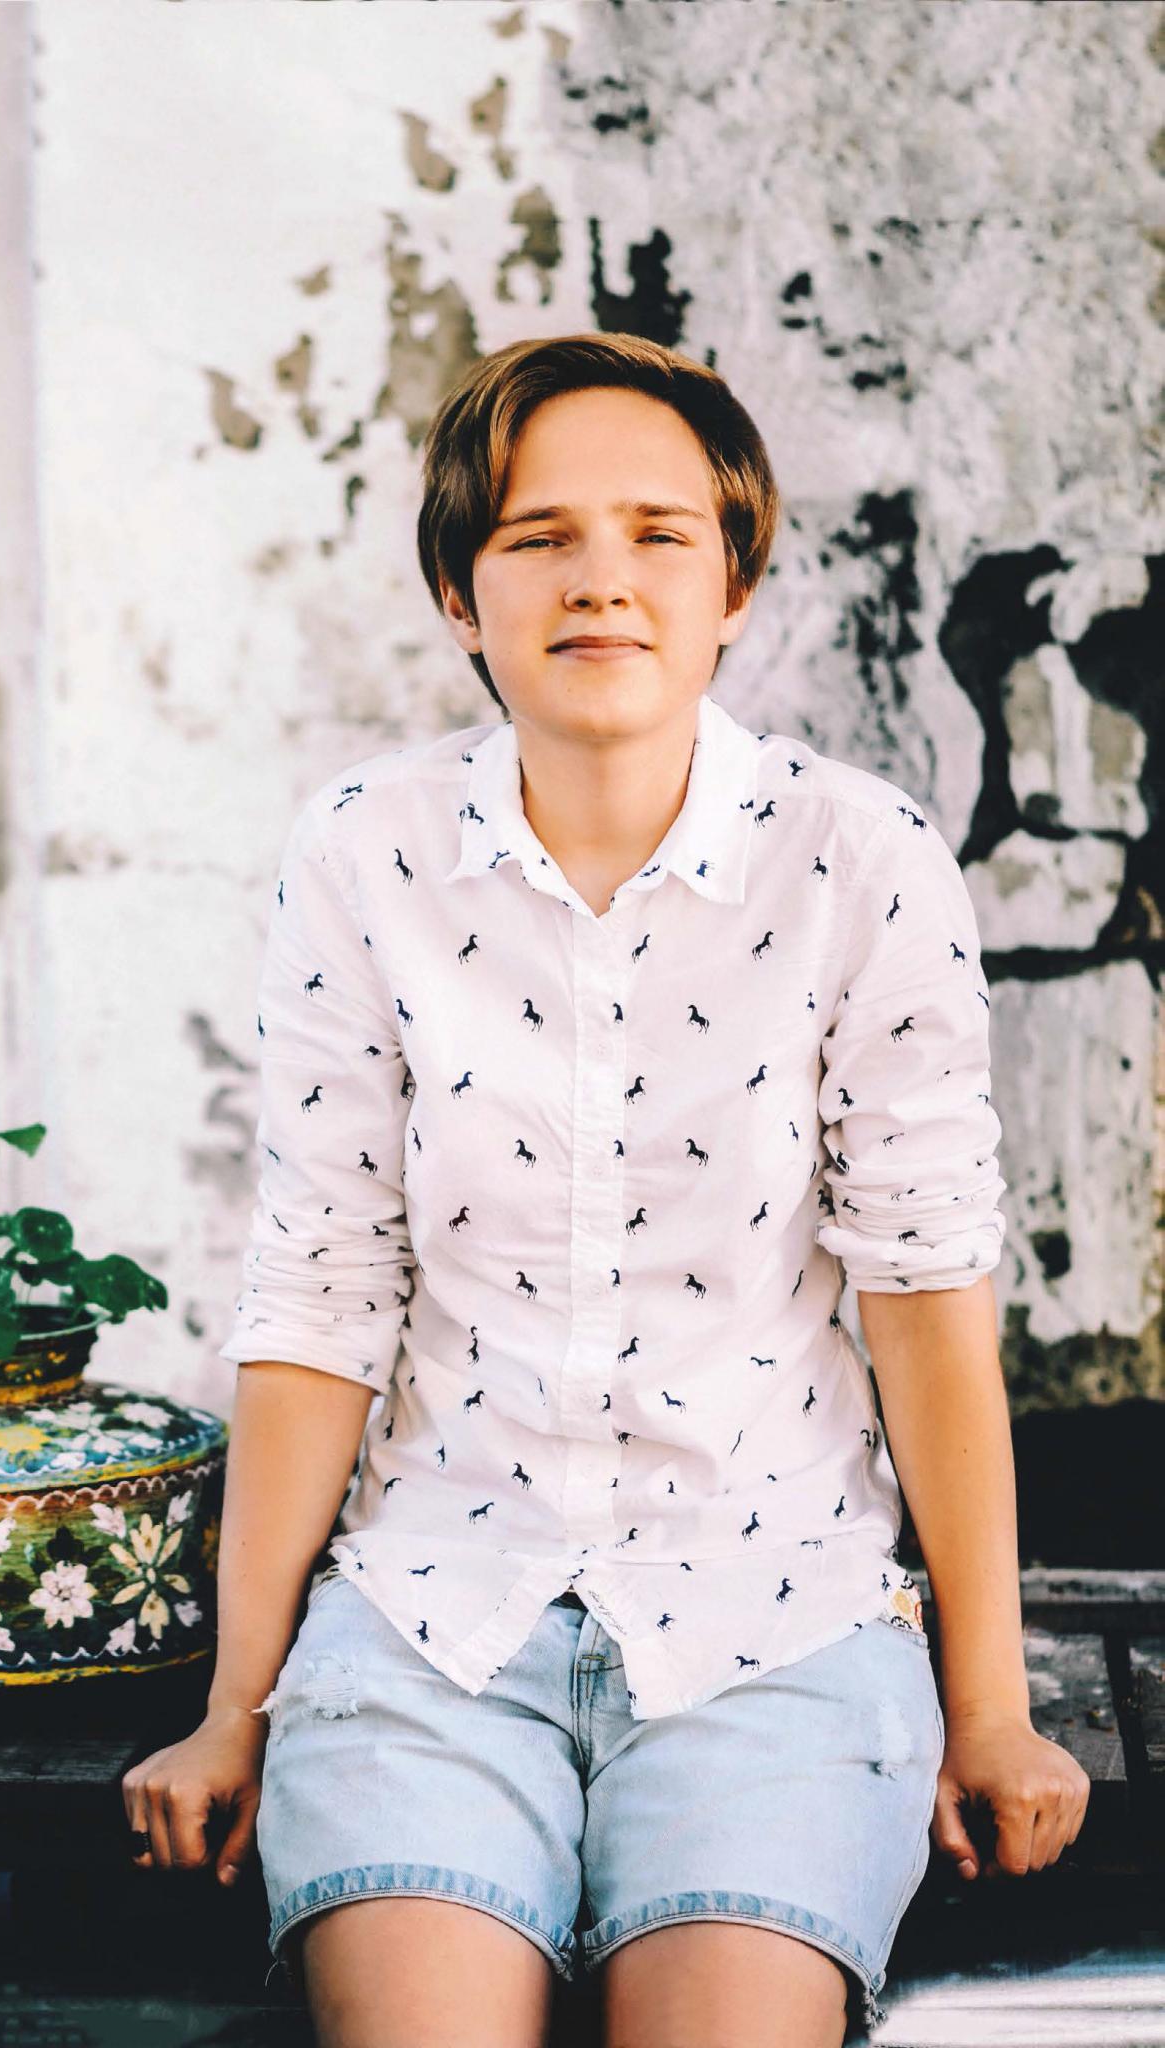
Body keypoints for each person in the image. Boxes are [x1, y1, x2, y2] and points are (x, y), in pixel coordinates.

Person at [121, 333, 1090, 2048]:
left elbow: (924, 1293)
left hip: (776, 1624)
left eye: (657, 534)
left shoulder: (856, 861)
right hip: (430, 1623)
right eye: (537, 537)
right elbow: (321, 1289)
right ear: (458, 590)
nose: (600, 581)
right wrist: (233, 1707)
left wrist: (990, 1707)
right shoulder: (364, 852)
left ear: (733, 584)